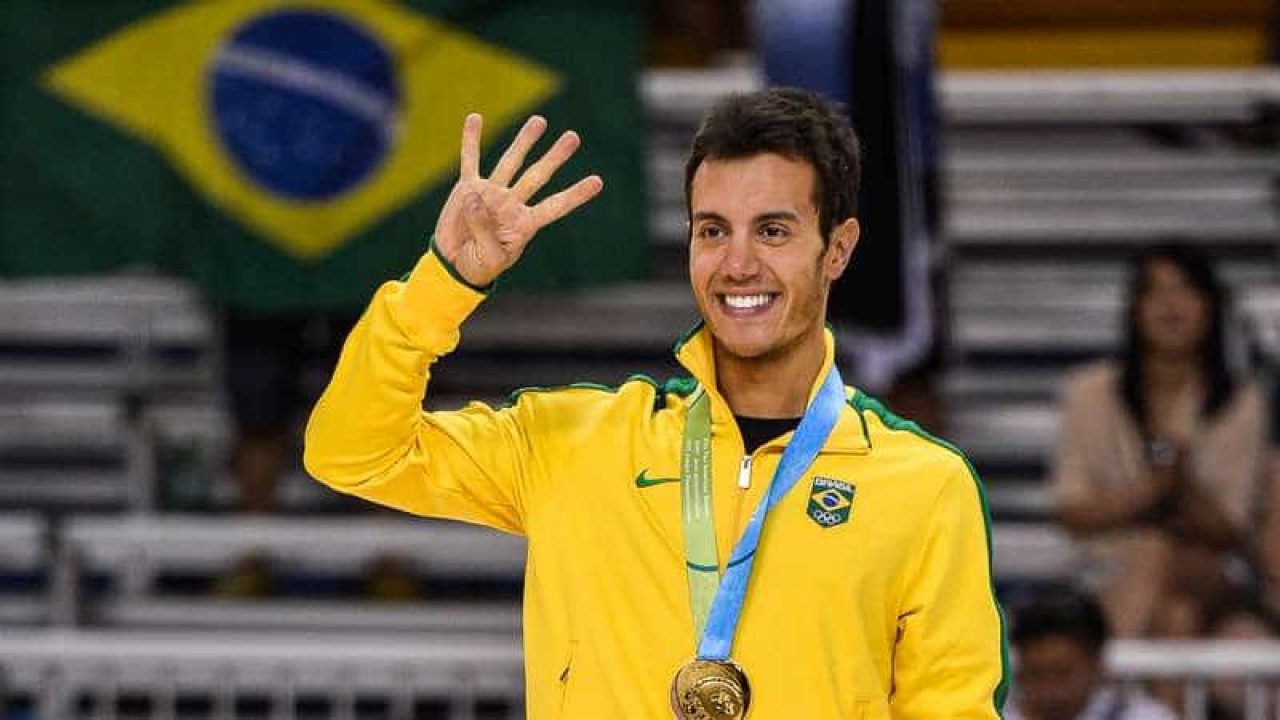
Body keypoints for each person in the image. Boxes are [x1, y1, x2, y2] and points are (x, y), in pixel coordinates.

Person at [304, 88, 1007, 718]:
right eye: (712, 230)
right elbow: (353, 452)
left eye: (773, 230)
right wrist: (445, 283)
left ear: (837, 249)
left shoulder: (923, 487)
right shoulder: (573, 442)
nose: (737, 265)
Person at [1051, 243, 1272, 641]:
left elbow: (1230, 530)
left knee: (1155, 553)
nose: (1171, 305)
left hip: (1214, 572)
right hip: (1106, 571)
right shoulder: (1088, 392)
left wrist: (1181, 485)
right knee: (1176, 617)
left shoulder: (1241, 402)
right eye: (1155, 291)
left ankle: (1107, 692)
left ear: (1210, 306)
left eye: (1185, 290)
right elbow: (1072, 512)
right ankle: (1145, 701)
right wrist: (1149, 492)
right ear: (1134, 308)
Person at [1006, 586, 1175, 720]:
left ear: (1096, 664)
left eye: (1062, 674)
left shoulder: (1145, 717)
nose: (1051, 691)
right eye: (1036, 675)